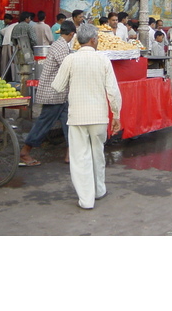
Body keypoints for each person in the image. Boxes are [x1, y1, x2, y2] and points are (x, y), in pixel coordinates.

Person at [51, 23, 122, 210]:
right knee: (97, 153)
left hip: (77, 117)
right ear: (93, 40)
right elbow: (113, 91)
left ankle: (86, 199)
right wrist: (116, 115)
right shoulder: (103, 60)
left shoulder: (70, 60)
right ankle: (99, 190)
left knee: (80, 158)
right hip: (99, 116)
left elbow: (57, 86)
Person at [19, 21, 77, 166]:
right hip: (54, 93)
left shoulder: (59, 44)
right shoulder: (61, 46)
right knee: (44, 123)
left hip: (61, 94)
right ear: (71, 34)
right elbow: (67, 67)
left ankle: (70, 155)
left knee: (69, 123)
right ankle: (25, 152)